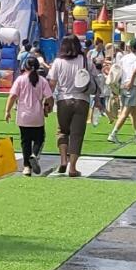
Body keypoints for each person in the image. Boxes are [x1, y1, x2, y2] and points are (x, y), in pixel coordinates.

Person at [48, 34, 92, 176]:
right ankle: (72, 167)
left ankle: (63, 160)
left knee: (62, 131)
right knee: (77, 134)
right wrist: (97, 99)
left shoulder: (58, 62)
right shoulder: (85, 60)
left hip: (63, 100)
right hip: (82, 99)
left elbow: (52, 83)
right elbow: (94, 79)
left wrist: (48, 100)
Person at [5, 56, 53, 176]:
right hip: (37, 115)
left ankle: (27, 167)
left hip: (23, 115)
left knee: (25, 142)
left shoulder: (20, 80)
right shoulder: (42, 80)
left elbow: (12, 96)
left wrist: (7, 111)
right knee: (39, 139)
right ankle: (35, 155)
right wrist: (48, 108)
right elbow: (50, 97)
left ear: (24, 67)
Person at [108, 38, 136, 145]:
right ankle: (113, 134)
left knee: (133, 113)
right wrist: (130, 82)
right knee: (125, 112)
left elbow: (118, 70)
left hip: (123, 86)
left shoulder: (124, 58)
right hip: (132, 86)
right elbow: (135, 71)